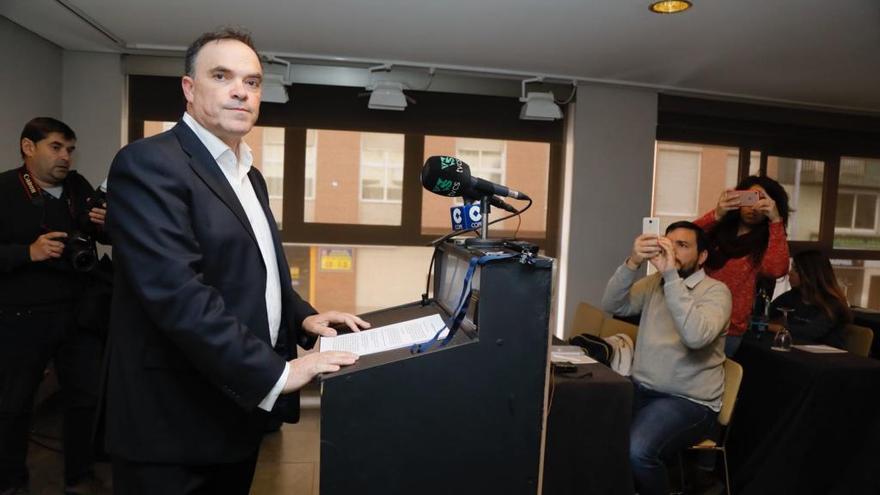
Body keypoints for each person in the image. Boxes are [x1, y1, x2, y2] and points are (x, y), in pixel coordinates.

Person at [104, 28, 368, 494]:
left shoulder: (249, 174)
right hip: (172, 424)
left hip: (233, 416)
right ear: (189, 89)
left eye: (252, 81)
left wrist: (304, 317)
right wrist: (280, 372)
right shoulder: (149, 164)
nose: (240, 91)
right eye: (222, 76)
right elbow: (178, 294)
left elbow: (253, 271)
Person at [0, 118, 109, 494]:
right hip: (23, 316)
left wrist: (105, 223)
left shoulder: (78, 187)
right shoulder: (3, 189)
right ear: (28, 147)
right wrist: (27, 253)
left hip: (80, 314)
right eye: (56, 147)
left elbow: (99, 236)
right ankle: (12, 482)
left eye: (70, 149)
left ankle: (79, 477)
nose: (66, 156)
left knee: (86, 398)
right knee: (14, 405)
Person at [602, 221, 731, 495]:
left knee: (637, 451)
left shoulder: (716, 292)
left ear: (702, 256)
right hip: (642, 388)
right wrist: (634, 261)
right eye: (669, 244)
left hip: (689, 401)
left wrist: (671, 276)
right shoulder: (654, 283)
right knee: (590, 428)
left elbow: (695, 337)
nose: (673, 252)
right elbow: (612, 305)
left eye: (683, 246)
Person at [695, 176, 790, 356]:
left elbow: (776, 269)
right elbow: (682, 242)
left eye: (761, 201)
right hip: (694, 318)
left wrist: (776, 221)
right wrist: (716, 214)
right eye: (749, 199)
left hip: (729, 329)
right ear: (738, 198)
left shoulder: (768, 241)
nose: (753, 208)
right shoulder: (717, 230)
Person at [770, 250, 851, 348]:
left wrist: (777, 328)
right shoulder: (794, 295)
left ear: (810, 274)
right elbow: (767, 312)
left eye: (795, 269)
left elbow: (809, 332)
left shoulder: (832, 304)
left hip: (826, 359)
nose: (789, 273)